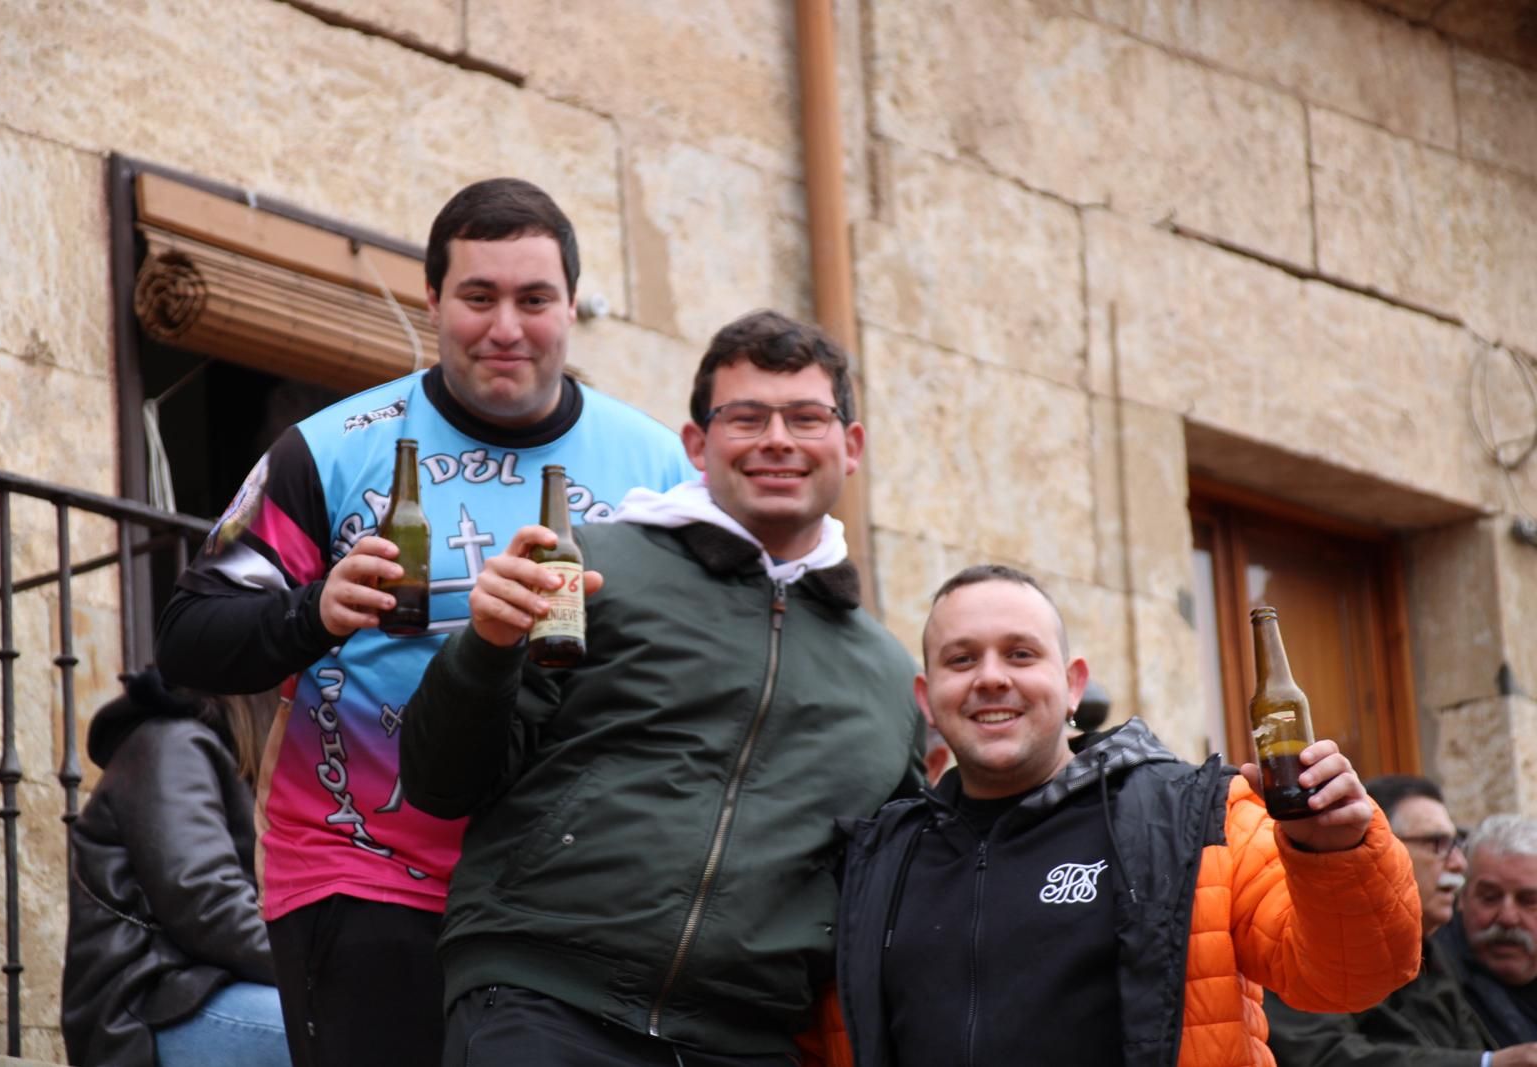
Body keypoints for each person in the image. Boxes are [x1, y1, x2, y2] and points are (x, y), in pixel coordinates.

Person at [155, 177, 695, 1067]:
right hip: (363, 875)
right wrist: (312, 611)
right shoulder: (331, 449)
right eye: (479, 296)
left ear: (572, 306)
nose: (506, 327)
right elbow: (188, 636)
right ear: (433, 300)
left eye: (534, 299)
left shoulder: (657, 467)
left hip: (567, 898)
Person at [400, 309, 926, 1064]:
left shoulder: (889, 678)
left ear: (851, 446)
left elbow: (893, 896)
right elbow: (441, 782)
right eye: (746, 417)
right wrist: (485, 647)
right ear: (697, 444)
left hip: (750, 1043)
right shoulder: (588, 569)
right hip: (542, 1001)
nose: (777, 439)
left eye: (806, 418)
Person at [833, 564, 1423, 1067]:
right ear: (925, 697)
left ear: (1073, 685)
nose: (991, 677)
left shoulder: (1199, 817)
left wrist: (1334, 853)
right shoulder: (881, 856)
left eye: (1020, 654)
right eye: (962, 659)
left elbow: (1351, 979)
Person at [60, 670, 289, 1067]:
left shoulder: (222, 755)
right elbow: (207, 905)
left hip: (211, 991)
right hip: (151, 1010)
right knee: (346, 1036)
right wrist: (316, 974)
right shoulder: (171, 743)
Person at [1263, 775, 1537, 1066]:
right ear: (1378, 846)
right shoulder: (1301, 935)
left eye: (1456, 844)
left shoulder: (1430, 952)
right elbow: (1321, 1055)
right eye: (1437, 843)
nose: (1458, 863)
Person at [1438, 815, 1537, 1053]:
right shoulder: (1429, 975)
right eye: (1490, 897)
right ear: (1462, 897)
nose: (1507, 918)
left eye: (1528, 900)